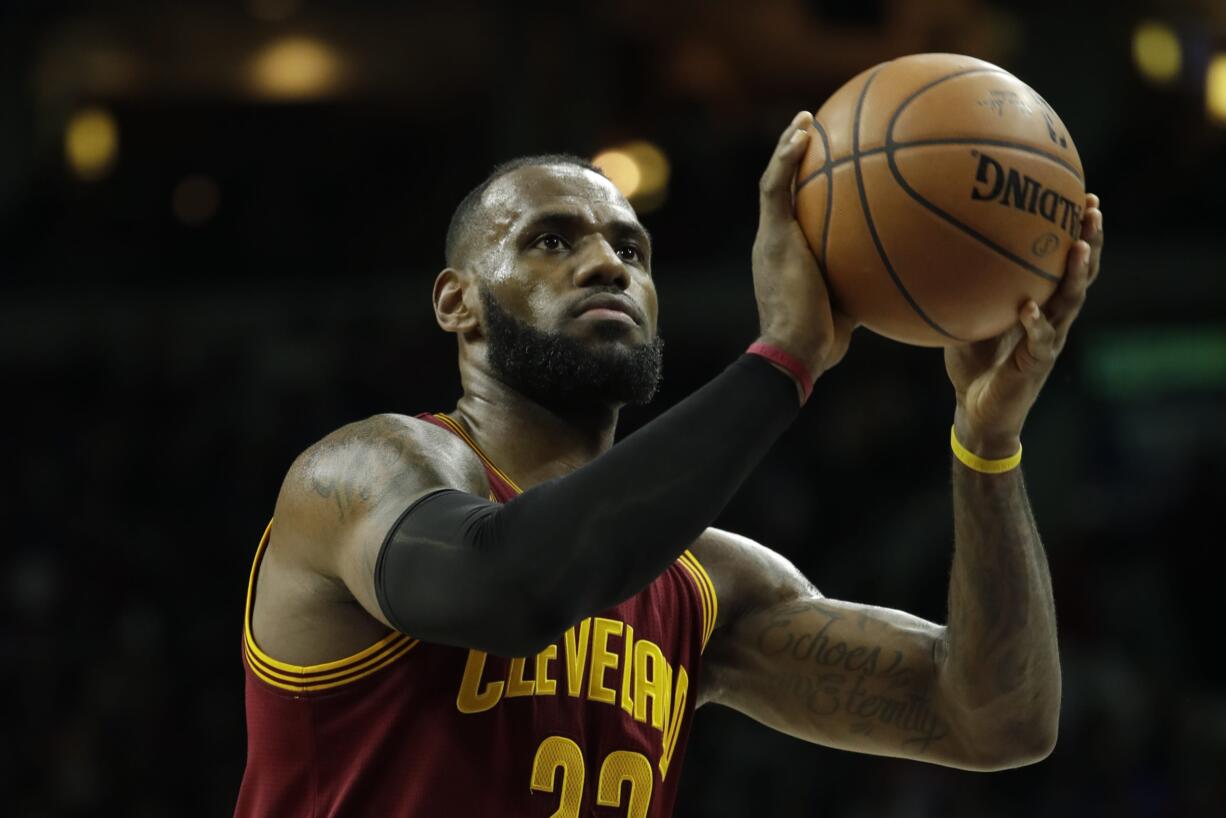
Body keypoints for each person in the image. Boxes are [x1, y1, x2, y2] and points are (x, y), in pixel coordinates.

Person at [233, 111, 1105, 817]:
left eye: (632, 250)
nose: (605, 262)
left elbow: (998, 720)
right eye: (549, 240)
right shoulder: (358, 476)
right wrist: (785, 361)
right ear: (457, 300)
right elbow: (504, 585)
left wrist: (988, 447)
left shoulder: (706, 587)